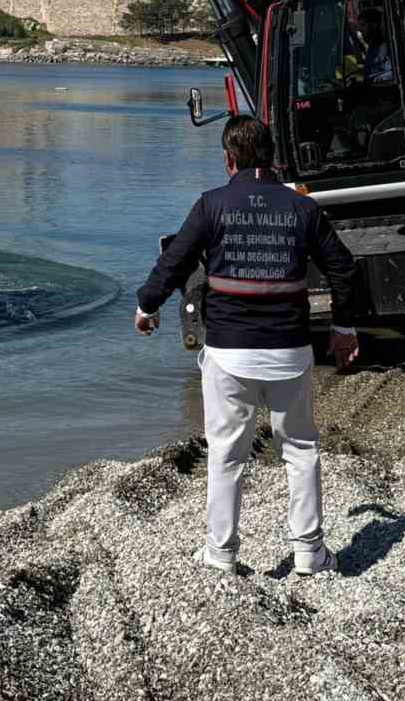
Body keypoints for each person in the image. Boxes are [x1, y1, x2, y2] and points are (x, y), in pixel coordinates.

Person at [134, 115, 361, 576]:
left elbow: (175, 261)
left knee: (225, 452)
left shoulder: (211, 205)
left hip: (229, 355)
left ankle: (220, 554)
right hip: (288, 351)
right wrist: (344, 328)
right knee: (299, 449)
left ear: (228, 159)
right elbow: (345, 269)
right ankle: (309, 553)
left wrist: (147, 306)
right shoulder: (303, 208)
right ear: (273, 157)